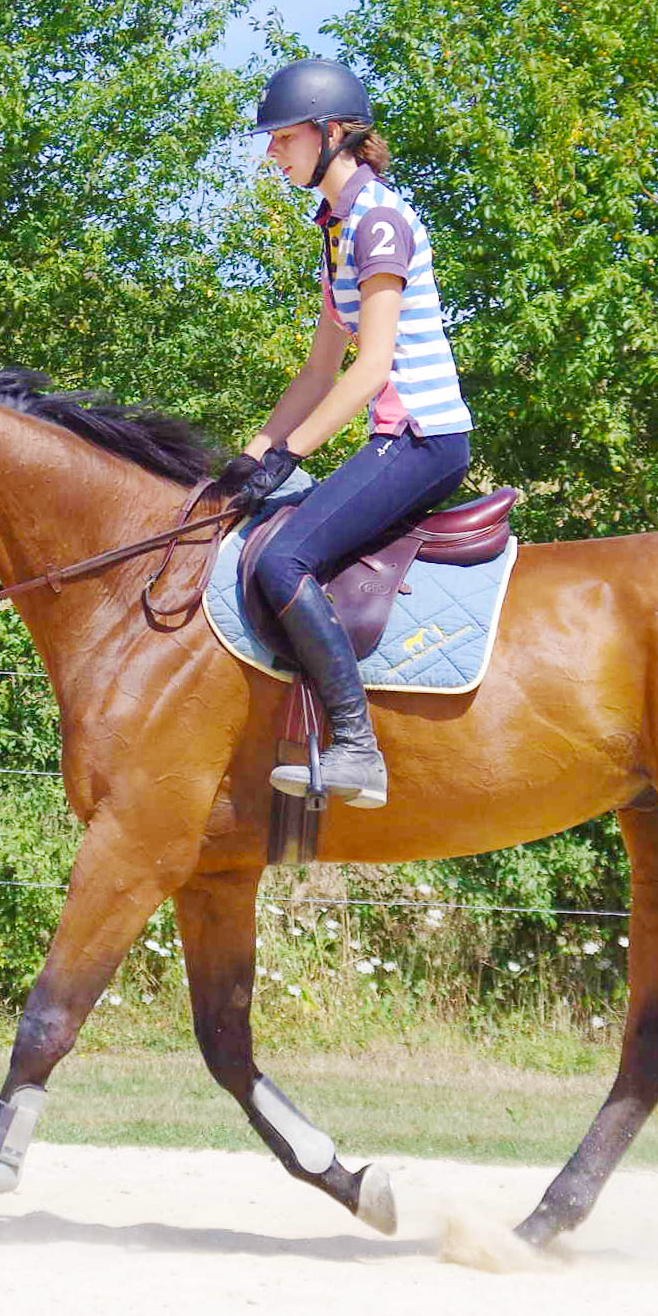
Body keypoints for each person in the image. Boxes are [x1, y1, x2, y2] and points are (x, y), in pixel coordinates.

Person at [227, 57, 473, 809]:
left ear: (332, 133)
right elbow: (315, 373)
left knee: (286, 560)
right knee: (257, 522)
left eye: (284, 137)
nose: (273, 152)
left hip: (424, 439)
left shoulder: (381, 221)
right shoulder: (336, 230)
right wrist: (252, 455)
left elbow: (370, 374)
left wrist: (293, 455)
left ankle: (358, 749)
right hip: (394, 438)